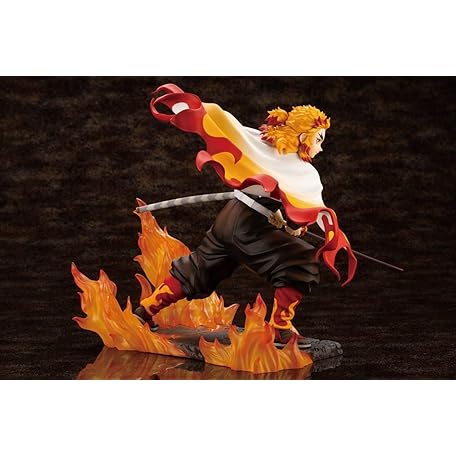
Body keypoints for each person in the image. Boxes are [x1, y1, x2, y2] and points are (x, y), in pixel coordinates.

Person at [134, 83, 357, 347]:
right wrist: (288, 221)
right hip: (247, 225)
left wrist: (288, 223)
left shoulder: (266, 149)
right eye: (318, 139)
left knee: (200, 268)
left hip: (230, 219)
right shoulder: (295, 166)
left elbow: (286, 204)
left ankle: (145, 310)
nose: (320, 148)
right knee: (300, 260)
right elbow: (280, 195)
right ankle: (280, 328)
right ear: (302, 137)